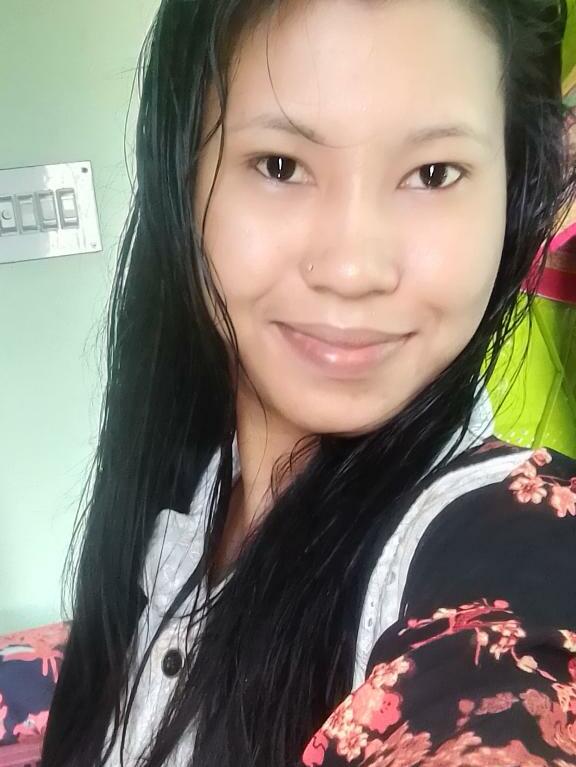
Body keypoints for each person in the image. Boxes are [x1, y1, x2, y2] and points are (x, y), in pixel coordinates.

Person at [41, 0, 576, 765]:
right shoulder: (188, 480)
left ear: (513, 192)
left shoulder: (512, 549)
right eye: (280, 166)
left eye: (433, 174)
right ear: (183, 181)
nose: (352, 269)